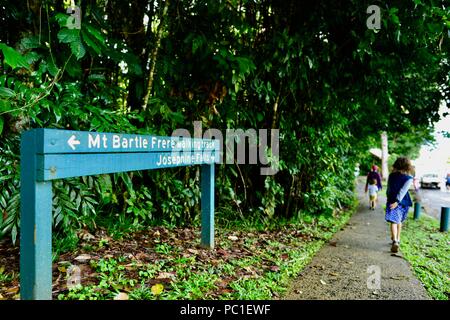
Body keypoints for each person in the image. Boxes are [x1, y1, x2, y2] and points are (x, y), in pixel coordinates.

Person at [385, 157, 413, 253]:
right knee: (399, 221)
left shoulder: (391, 176)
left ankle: (395, 240)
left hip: (392, 201)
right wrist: (397, 201)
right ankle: (397, 239)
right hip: (403, 202)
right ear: (407, 166)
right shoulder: (408, 178)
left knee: (393, 221)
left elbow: (389, 188)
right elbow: (403, 191)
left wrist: (391, 199)